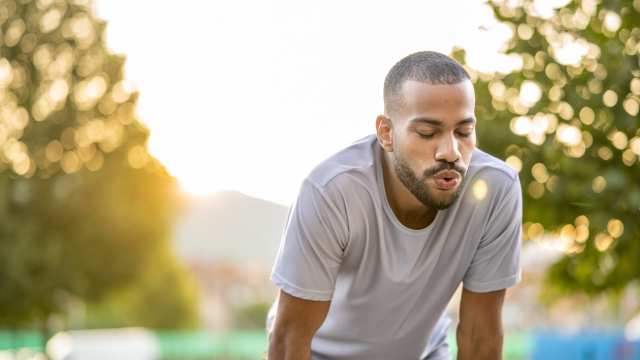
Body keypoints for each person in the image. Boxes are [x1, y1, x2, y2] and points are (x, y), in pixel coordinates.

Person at [266, 51, 522, 360]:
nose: (451, 152)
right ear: (386, 133)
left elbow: (480, 337)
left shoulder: (496, 189)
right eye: (428, 133)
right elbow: (289, 340)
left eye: (464, 132)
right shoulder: (332, 191)